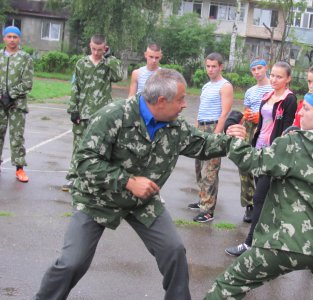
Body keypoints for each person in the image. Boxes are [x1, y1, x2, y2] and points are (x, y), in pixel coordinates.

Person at [33, 69, 233, 300]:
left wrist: (233, 138)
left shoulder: (174, 126)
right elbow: (84, 163)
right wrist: (127, 181)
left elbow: (205, 144)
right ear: (161, 101)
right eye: (180, 99)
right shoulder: (114, 116)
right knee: (72, 263)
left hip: (142, 202)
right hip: (97, 199)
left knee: (174, 251)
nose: (185, 105)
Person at [205, 85, 313, 299]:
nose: (299, 112)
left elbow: (253, 162)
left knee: (227, 286)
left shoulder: (296, 143)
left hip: (285, 243)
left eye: (306, 109)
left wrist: (235, 136)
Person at [225, 61, 297, 256]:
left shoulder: (290, 100)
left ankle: (250, 243)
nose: (274, 79)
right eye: (272, 75)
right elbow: (263, 123)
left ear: (288, 79)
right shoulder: (268, 95)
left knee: (258, 198)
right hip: (258, 149)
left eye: (279, 76)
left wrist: (277, 155)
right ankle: (273, 241)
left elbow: (287, 131)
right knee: (266, 200)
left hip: (272, 155)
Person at [62, 34, 123, 191]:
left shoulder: (108, 64)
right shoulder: (81, 63)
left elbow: (119, 77)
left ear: (105, 48)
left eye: (100, 49)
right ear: (90, 46)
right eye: (94, 49)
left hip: (102, 115)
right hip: (83, 113)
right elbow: (75, 87)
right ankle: (73, 177)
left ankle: (96, 181)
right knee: (78, 146)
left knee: (101, 148)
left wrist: (110, 58)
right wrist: (73, 109)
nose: (96, 53)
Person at [188, 52, 233, 223]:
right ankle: (202, 199)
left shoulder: (225, 86)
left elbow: (225, 112)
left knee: (210, 170)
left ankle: (208, 210)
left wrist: (216, 134)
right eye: (208, 66)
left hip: (214, 127)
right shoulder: (206, 86)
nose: (210, 69)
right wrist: (196, 128)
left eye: (214, 66)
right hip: (202, 128)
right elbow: (201, 109)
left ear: (221, 67)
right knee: (199, 167)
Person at [240, 58, 273, 223]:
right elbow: (246, 109)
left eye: (260, 68)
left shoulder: (273, 88)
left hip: (266, 129)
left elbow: (275, 112)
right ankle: (249, 204)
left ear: (266, 68)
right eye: (254, 69)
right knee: (245, 165)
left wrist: (259, 117)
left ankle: (264, 204)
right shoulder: (250, 91)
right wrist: (247, 115)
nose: (257, 72)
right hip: (249, 128)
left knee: (262, 167)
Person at [0, 26, 33, 182]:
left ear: (19, 39)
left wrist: (11, 95)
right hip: (0, 103)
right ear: (4, 38)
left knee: (17, 137)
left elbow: (27, 83)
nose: (12, 40)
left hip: (16, 105)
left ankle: (19, 169)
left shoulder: (25, 58)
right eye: (9, 36)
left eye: (15, 37)